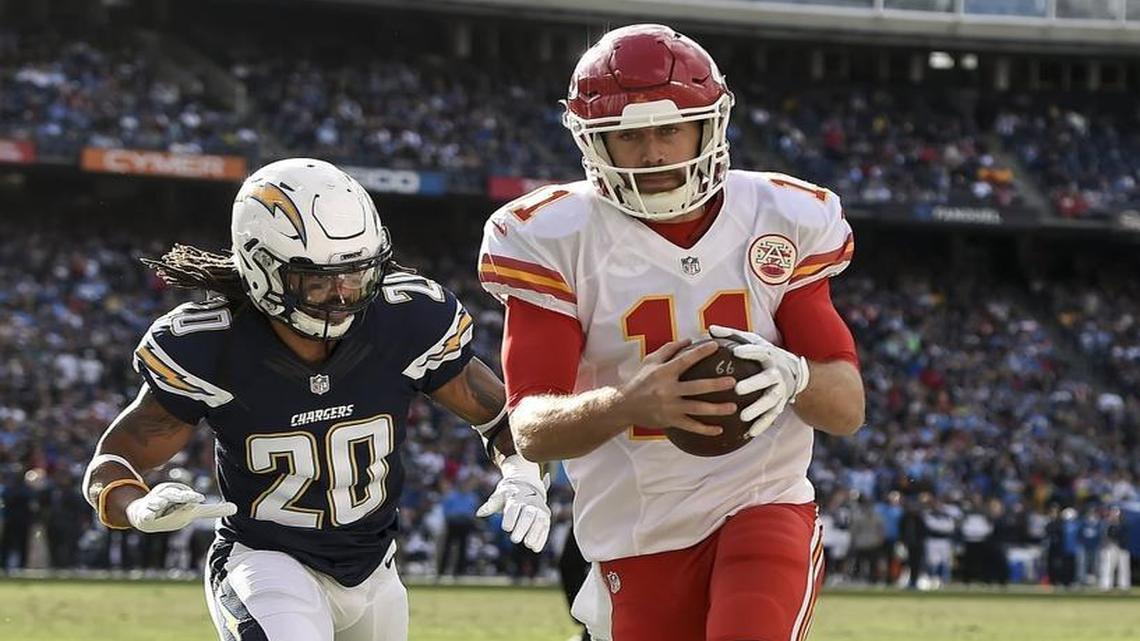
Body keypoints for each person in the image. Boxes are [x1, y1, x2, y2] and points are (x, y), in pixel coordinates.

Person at [478, 24, 864, 641]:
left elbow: (846, 408)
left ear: (708, 126)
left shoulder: (782, 216)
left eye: (668, 130)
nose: (652, 154)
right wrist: (633, 401)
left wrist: (794, 373)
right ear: (592, 142)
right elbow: (530, 429)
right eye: (627, 135)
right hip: (637, 526)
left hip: (762, 499)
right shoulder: (552, 234)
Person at [81, 158, 552, 641]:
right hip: (268, 561)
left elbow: (502, 418)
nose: (342, 296)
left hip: (375, 570)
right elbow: (116, 459)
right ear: (261, 268)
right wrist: (138, 508)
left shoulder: (406, 321)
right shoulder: (208, 346)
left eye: (356, 275)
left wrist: (523, 477)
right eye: (318, 279)